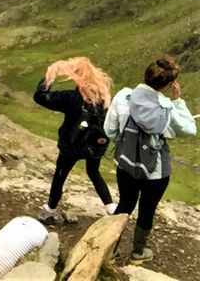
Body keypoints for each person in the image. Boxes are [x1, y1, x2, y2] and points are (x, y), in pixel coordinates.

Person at [104, 55, 196, 263]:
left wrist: (126, 142)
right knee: (147, 209)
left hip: (126, 164)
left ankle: (109, 249)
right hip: (155, 170)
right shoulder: (167, 108)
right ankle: (138, 252)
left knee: (125, 204)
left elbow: (109, 130)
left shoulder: (124, 96)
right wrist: (178, 101)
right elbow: (190, 129)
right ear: (168, 84)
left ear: (147, 75)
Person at [33, 57, 116, 223]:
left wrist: (50, 76)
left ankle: (50, 209)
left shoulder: (71, 98)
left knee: (60, 175)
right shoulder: (104, 100)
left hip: (71, 145)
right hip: (95, 146)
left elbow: (40, 96)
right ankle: (111, 207)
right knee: (94, 172)